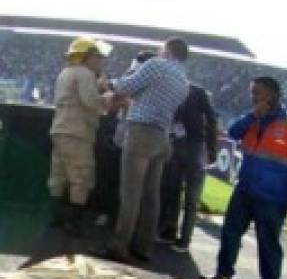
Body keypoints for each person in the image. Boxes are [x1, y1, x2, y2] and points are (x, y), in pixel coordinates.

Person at [198, 77, 287, 279]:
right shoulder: (253, 119)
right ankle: (222, 276)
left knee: (268, 245)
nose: (253, 97)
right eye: (252, 92)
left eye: (257, 93)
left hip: (273, 198)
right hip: (245, 190)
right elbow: (233, 132)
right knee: (229, 233)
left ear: (271, 94)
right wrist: (252, 115)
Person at [97, 37, 191, 264]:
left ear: (166, 50)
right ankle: (144, 247)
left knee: (130, 193)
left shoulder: (157, 65)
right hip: (162, 137)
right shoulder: (184, 81)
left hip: (141, 132)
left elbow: (125, 87)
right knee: (151, 196)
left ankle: (119, 246)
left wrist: (107, 83)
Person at [48, 37, 114, 234]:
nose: (101, 60)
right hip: (77, 132)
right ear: (86, 57)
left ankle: (56, 218)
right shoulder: (85, 74)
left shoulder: (65, 72)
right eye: (98, 56)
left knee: (58, 176)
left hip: (60, 129)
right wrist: (107, 96)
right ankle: (74, 223)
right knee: (81, 176)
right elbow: (90, 101)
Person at [159, 81, 219, 251]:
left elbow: (210, 119)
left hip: (183, 146)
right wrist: (212, 149)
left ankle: (174, 233)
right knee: (185, 195)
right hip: (191, 147)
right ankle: (179, 237)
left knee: (177, 192)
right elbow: (212, 121)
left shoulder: (185, 95)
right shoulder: (198, 100)